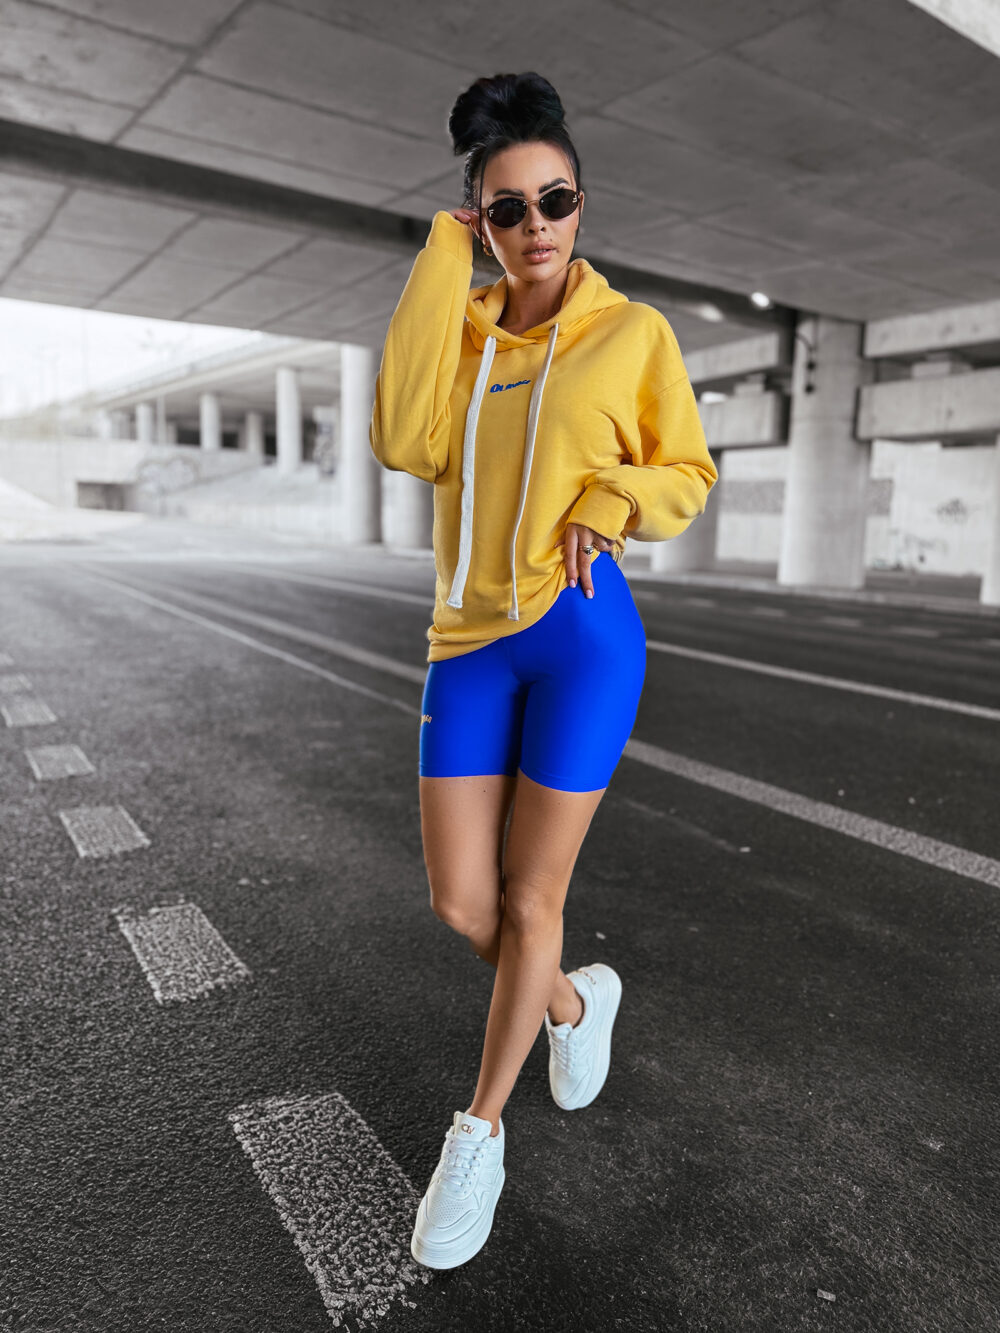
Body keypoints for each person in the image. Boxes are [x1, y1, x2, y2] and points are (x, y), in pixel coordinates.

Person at [369, 70, 718, 1271]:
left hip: (581, 636)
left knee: (529, 900)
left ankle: (477, 1131)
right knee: (462, 905)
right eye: (507, 209)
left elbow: (686, 470)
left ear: (581, 202)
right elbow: (401, 438)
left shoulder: (633, 334)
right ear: (481, 218)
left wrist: (614, 494)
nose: (536, 227)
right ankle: (574, 1000)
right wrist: (439, 256)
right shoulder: (460, 331)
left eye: (555, 200)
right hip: (466, 643)